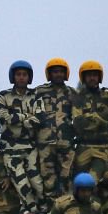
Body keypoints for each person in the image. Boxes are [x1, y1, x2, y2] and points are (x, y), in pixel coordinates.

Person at [0, 60, 45, 214]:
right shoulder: (3, 96)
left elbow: (39, 119)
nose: (21, 78)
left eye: (24, 75)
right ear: (13, 76)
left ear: (29, 77)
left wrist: (16, 117)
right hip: (11, 150)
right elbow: (3, 117)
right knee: (22, 186)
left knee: (38, 184)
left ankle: (43, 212)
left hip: (31, 147)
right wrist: (26, 118)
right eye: (18, 74)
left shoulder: (36, 96)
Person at [34, 58, 77, 204]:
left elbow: (79, 116)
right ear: (49, 74)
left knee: (66, 175)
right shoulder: (39, 92)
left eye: (60, 72)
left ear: (66, 74)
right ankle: (50, 208)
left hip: (66, 142)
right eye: (55, 72)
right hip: (45, 142)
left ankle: (66, 206)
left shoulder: (72, 93)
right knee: (48, 177)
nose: (58, 75)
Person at [72, 60, 108, 182]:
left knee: (92, 180)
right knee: (77, 181)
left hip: (102, 147)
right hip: (84, 146)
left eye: (95, 75)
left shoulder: (106, 95)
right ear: (84, 78)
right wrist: (101, 118)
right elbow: (78, 123)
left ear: (99, 77)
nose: (92, 78)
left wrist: (91, 118)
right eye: (89, 75)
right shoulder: (78, 96)